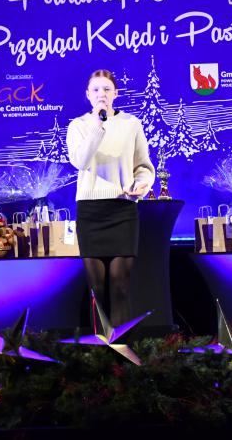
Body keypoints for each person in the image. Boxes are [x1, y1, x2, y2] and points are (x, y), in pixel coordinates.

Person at [67, 69, 155, 326]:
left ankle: (121, 348)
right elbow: (81, 161)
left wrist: (142, 185)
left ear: (116, 93)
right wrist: (98, 125)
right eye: (96, 90)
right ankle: (99, 347)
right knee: (97, 289)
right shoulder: (78, 126)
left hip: (122, 210)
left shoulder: (131, 124)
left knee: (120, 286)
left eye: (106, 89)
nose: (101, 94)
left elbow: (143, 166)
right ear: (87, 95)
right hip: (90, 212)